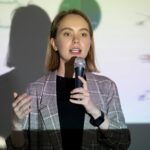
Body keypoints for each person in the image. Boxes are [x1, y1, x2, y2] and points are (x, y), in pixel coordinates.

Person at [6, 9, 131, 150]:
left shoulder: (106, 87)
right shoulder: (35, 90)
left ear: (90, 42)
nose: (76, 40)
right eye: (67, 33)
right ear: (54, 43)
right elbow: (19, 148)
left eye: (83, 34)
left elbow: (122, 142)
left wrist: (95, 111)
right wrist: (16, 124)